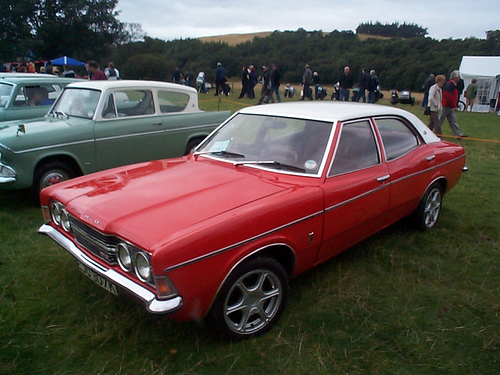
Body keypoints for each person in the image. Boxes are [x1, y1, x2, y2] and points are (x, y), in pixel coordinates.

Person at [439, 70, 468, 137]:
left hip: (450, 106)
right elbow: (449, 97)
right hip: (446, 106)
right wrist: (454, 105)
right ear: (455, 77)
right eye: (458, 76)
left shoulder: (454, 85)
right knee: (440, 120)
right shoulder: (449, 85)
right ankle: (434, 133)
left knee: (453, 121)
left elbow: (454, 96)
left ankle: (458, 134)